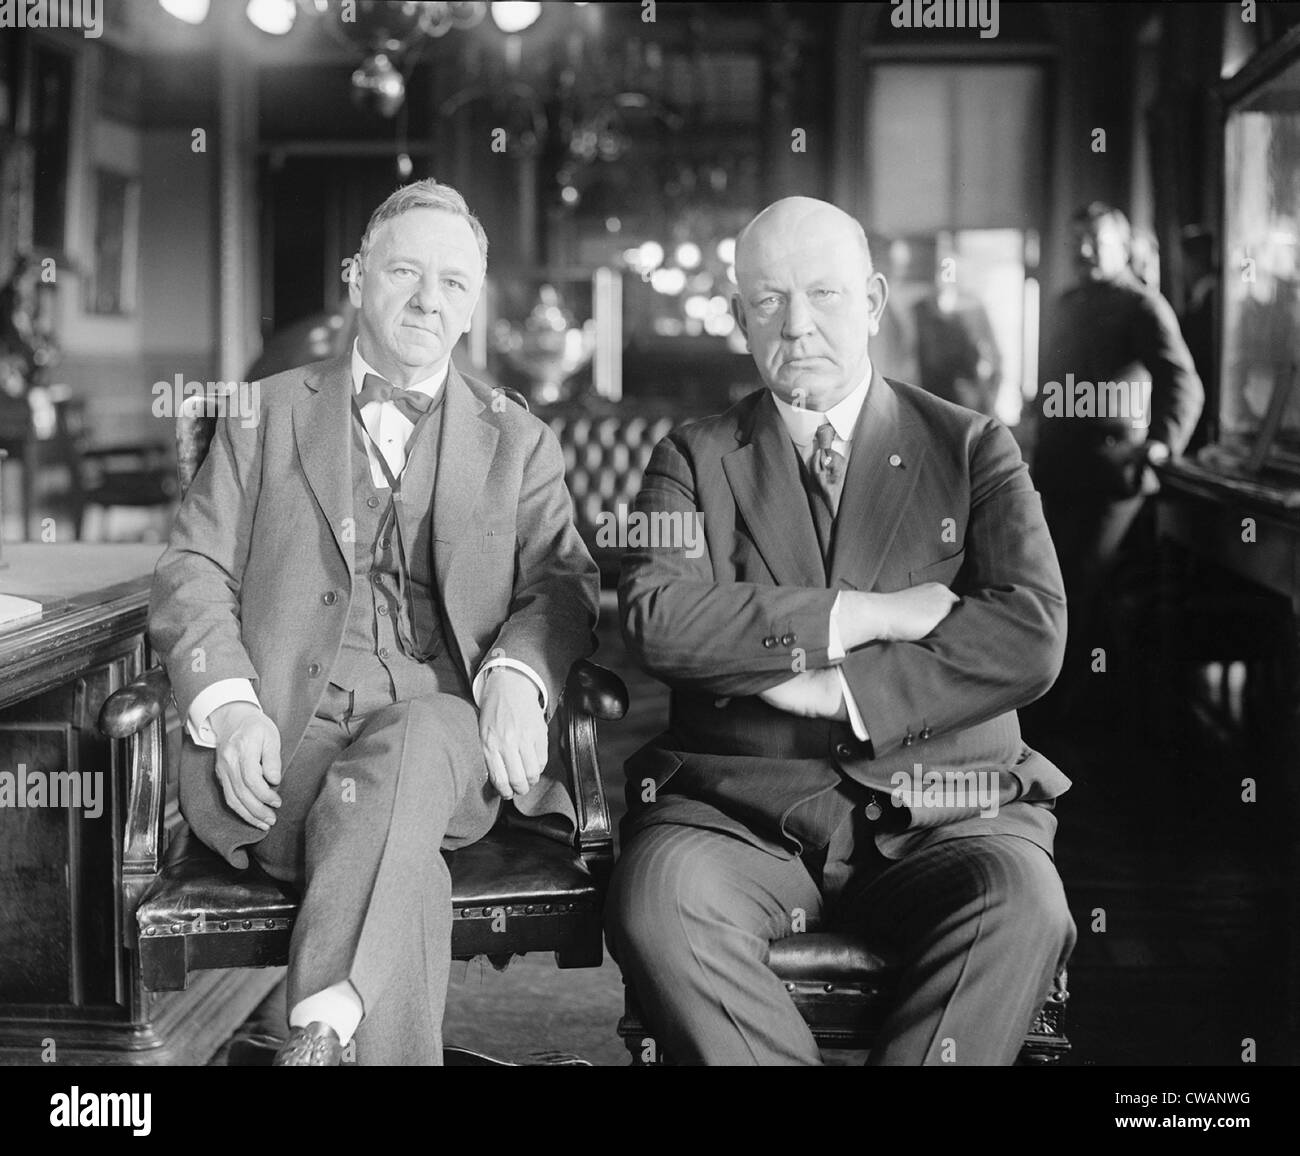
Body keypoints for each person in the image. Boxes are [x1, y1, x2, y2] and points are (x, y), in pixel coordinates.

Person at [606, 196, 1075, 1065]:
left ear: (872, 300)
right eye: (769, 300)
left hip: (946, 810)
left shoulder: (973, 447)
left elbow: (1032, 632)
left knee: (1024, 902)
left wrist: (843, 692)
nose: (798, 325)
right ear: (741, 313)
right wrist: (869, 619)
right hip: (737, 812)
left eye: (823, 294)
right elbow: (658, 620)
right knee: (655, 900)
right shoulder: (693, 456)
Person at [149, 179, 600, 1065]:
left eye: (455, 284)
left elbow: (563, 581)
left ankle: (320, 1028)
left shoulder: (519, 440)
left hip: (449, 738)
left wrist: (518, 676)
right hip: (284, 758)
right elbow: (191, 567)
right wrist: (231, 706)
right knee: (404, 865)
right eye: (405, 271)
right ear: (357, 278)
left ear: (473, 307)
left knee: (421, 733)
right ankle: (337, 1021)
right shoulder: (264, 414)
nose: (430, 300)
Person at [1030, 202, 1203, 723]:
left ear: (1122, 248)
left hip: (1112, 474)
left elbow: (1183, 382)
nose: (1083, 251)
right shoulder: (1065, 303)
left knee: (1082, 586)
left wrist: (1162, 444)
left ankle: (1077, 717)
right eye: (1077, 240)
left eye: (1095, 241)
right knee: (1048, 583)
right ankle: (1055, 706)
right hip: (1059, 468)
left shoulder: (1141, 305)